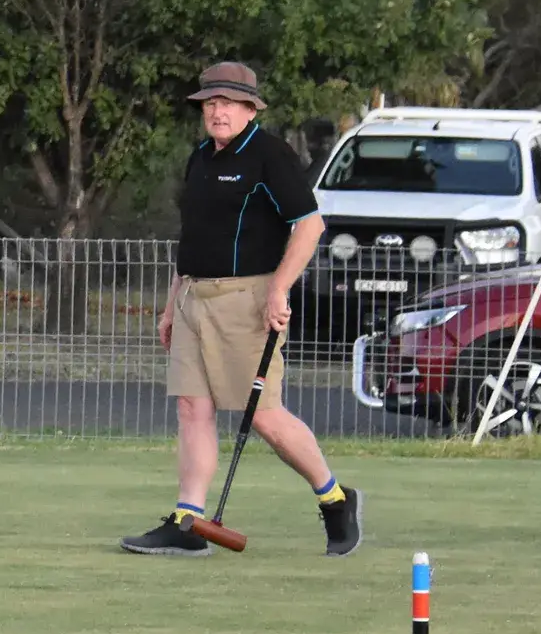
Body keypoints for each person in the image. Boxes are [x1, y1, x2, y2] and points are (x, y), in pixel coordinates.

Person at [121, 61, 364, 558]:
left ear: (251, 108)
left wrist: (279, 289)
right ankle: (188, 520)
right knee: (192, 407)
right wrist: (171, 307)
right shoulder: (200, 159)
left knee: (264, 417)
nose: (218, 111)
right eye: (210, 103)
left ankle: (336, 500)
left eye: (228, 102)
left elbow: (310, 226)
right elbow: (192, 239)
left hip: (247, 302)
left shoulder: (270, 155)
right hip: (193, 297)